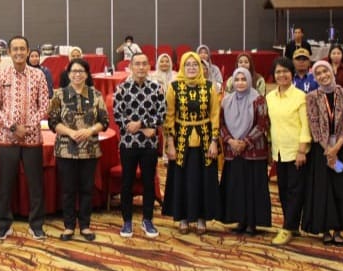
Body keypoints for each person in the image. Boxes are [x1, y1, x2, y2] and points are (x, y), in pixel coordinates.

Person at [0, 35, 51, 240]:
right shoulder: (1, 76)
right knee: (5, 184)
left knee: (35, 184)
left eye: (22, 49)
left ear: (28, 51)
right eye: (15, 49)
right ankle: (3, 224)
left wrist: (28, 127)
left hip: (32, 139)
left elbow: (44, 105)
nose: (18, 52)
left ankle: (36, 224)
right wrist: (13, 127)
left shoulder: (38, 75)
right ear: (9, 52)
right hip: (7, 139)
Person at [303, 60, 343, 246]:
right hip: (322, 149)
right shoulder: (312, 97)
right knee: (324, 189)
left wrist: (336, 148)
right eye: (318, 73)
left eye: (325, 71)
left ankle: (339, 230)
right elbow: (313, 124)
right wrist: (328, 150)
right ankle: (326, 229)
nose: (323, 75)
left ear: (332, 72)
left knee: (342, 188)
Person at [49, 59, 109, 241]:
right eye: (74, 71)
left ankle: (85, 225)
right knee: (68, 190)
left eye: (81, 71)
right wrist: (71, 132)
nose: (77, 74)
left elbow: (104, 121)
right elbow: (53, 122)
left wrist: (89, 131)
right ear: (68, 74)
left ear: (87, 74)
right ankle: (68, 226)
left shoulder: (96, 94)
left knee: (86, 189)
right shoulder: (59, 95)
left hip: (89, 150)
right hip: (65, 149)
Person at [162, 52, 221, 235]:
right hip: (181, 141)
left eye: (195, 65)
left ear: (201, 68)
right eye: (188, 65)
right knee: (182, 180)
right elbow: (169, 116)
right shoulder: (174, 87)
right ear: (182, 67)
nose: (192, 68)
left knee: (204, 180)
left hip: (205, 141)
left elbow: (215, 115)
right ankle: (183, 217)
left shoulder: (209, 87)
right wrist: (170, 143)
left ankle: (202, 217)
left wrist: (214, 141)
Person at [113, 53, 166, 238]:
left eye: (144, 63)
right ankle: (127, 221)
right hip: (128, 144)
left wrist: (141, 124)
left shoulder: (157, 88)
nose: (141, 67)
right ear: (131, 66)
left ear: (149, 66)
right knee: (127, 182)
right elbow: (118, 116)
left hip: (149, 145)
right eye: (137, 64)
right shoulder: (122, 89)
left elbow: (162, 114)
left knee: (148, 182)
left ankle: (147, 220)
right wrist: (144, 128)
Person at [219, 68, 271, 236]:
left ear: (249, 81)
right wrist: (231, 141)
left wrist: (245, 142)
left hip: (254, 151)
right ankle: (240, 220)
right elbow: (220, 124)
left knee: (252, 187)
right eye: (237, 79)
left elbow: (262, 124)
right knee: (237, 186)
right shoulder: (226, 101)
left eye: (243, 79)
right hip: (233, 151)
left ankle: (252, 223)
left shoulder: (258, 99)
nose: (240, 83)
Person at [267, 57, 311, 246]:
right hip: (278, 150)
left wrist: (302, 150)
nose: (282, 75)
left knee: (295, 190)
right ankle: (291, 225)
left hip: (295, 151)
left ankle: (287, 227)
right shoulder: (270, 97)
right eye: (278, 72)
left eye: (285, 71)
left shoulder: (300, 96)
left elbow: (306, 126)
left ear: (292, 74)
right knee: (283, 190)